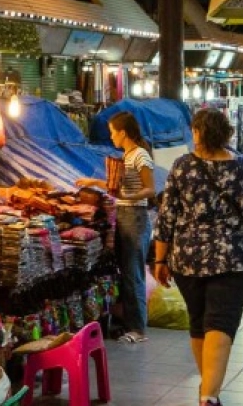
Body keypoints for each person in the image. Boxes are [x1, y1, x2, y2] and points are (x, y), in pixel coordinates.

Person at [154, 109, 243, 406]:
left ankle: (209, 392)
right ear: (227, 134)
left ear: (197, 132)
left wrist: (159, 260)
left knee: (199, 323)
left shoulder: (183, 166)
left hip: (188, 258)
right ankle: (209, 395)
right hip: (236, 259)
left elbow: (167, 217)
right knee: (220, 323)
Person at [78, 111, 157, 343]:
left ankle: (138, 329)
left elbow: (150, 189)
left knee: (133, 274)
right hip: (124, 214)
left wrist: (129, 195)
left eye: (113, 132)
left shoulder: (140, 155)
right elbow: (117, 186)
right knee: (126, 272)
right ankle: (129, 324)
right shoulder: (127, 155)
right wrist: (93, 182)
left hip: (135, 216)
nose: (111, 137)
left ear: (123, 133)